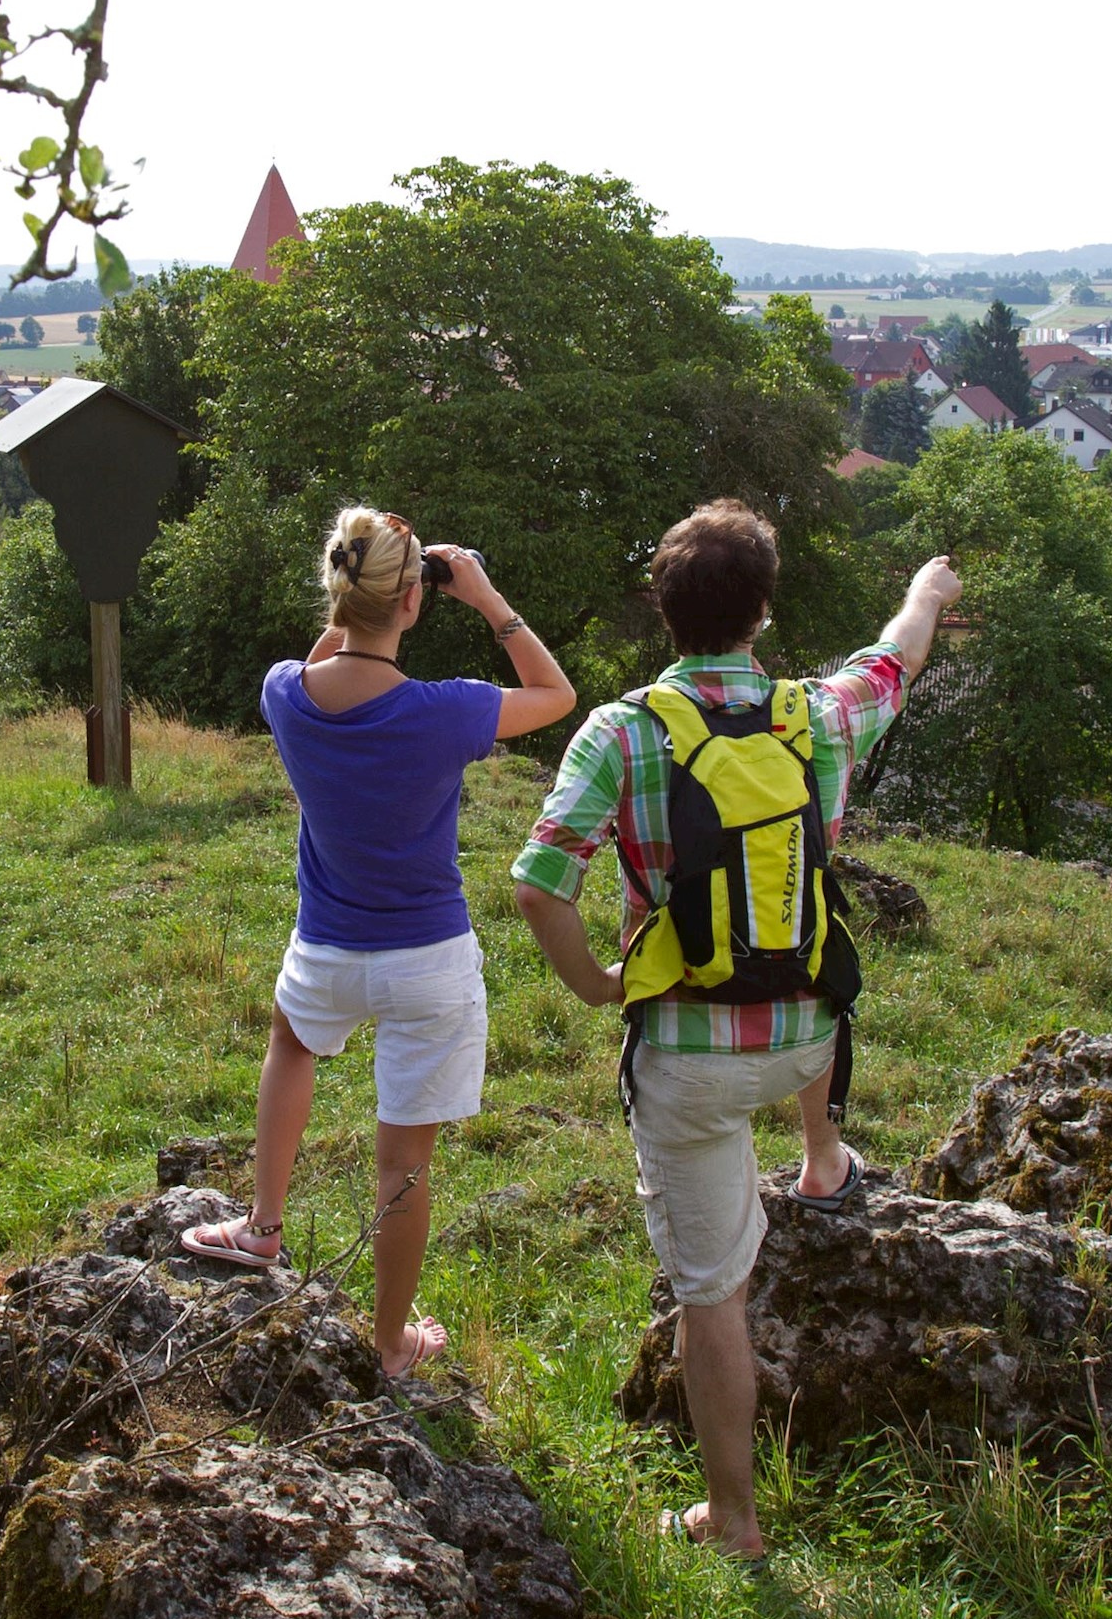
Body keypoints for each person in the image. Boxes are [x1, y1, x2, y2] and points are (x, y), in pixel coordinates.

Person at [512, 501, 960, 1558]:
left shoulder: (621, 732)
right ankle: (821, 1153)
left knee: (713, 1295)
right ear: (761, 610)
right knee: (815, 931)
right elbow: (893, 659)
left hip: (689, 1060)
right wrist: (927, 591)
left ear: (662, 612)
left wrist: (597, 987)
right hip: (811, 1042)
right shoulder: (820, 715)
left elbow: (540, 882)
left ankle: (735, 1521)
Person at [179, 508, 576, 1374]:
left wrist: (366, 598)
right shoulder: (445, 711)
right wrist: (482, 595)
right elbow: (556, 696)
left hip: (327, 948)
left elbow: (329, 654)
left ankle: (263, 1225)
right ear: (413, 601)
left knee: (292, 1042)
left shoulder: (285, 693)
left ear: (338, 591)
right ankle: (391, 1344)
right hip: (429, 962)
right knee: (403, 1165)